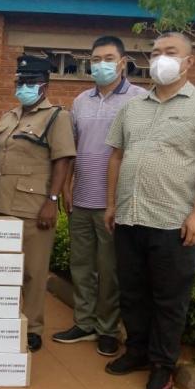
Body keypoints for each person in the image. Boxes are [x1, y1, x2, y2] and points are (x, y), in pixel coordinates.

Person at [104, 32, 195, 389]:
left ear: (188, 62)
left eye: (170, 52)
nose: (161, 58)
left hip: (173, 221)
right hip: (129, 217)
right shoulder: (132, 107)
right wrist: (112, 205)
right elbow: (116, 156)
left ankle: (163, 366)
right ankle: (138, 351)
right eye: (156, 52)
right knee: (133, 292)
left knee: (169, 298)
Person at [52, 36, 147, 356]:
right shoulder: (81, 101)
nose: (100, 65)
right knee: (81, 266)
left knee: (109, 271)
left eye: (107, 58)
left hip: (114, 204)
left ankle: (107, 329)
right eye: (95, 59)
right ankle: (84, 322)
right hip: (81, 198)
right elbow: (71, 149)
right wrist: (66, 188)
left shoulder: (140, 100)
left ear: (122, 62)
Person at [0, 55, 76, 352]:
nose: (24, 86)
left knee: (33, 272)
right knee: (1, 269)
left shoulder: (56, 116)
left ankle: (33, 326)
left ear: (44, 85)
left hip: (32, 207)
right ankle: (4, 321)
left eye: (31, 82)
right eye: (20, 81)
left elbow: (62, 159)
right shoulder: (9, 116)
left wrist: (52, 200)